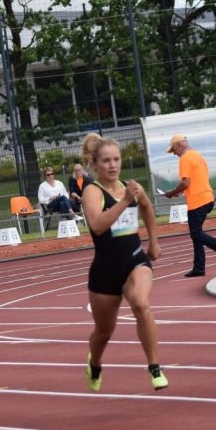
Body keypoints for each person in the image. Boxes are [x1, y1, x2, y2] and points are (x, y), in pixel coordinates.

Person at [80, 133, 167, 392]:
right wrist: (125, 201)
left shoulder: (132, 188)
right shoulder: (92, 192)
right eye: (106, 161)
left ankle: (155, 367)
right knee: (104, 332)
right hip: (105, 271)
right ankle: (94, 363)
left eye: (116, 159)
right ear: (95, 165)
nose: (113, 165)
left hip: (134, 261)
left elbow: (148, 208)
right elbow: (97, 226)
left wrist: (153, 241)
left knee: (141, 303)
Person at [164, 134, 216, 277]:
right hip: (207, 197)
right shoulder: (197, 155)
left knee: (196, 233)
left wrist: (172, 193)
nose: (174, 154)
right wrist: (181, 192)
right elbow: (195, 181)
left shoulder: (185, 158)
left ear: (179, 145)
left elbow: (185, 183)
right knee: (196, 235)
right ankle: (199, 268)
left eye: (173, 150)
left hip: (198, 202)